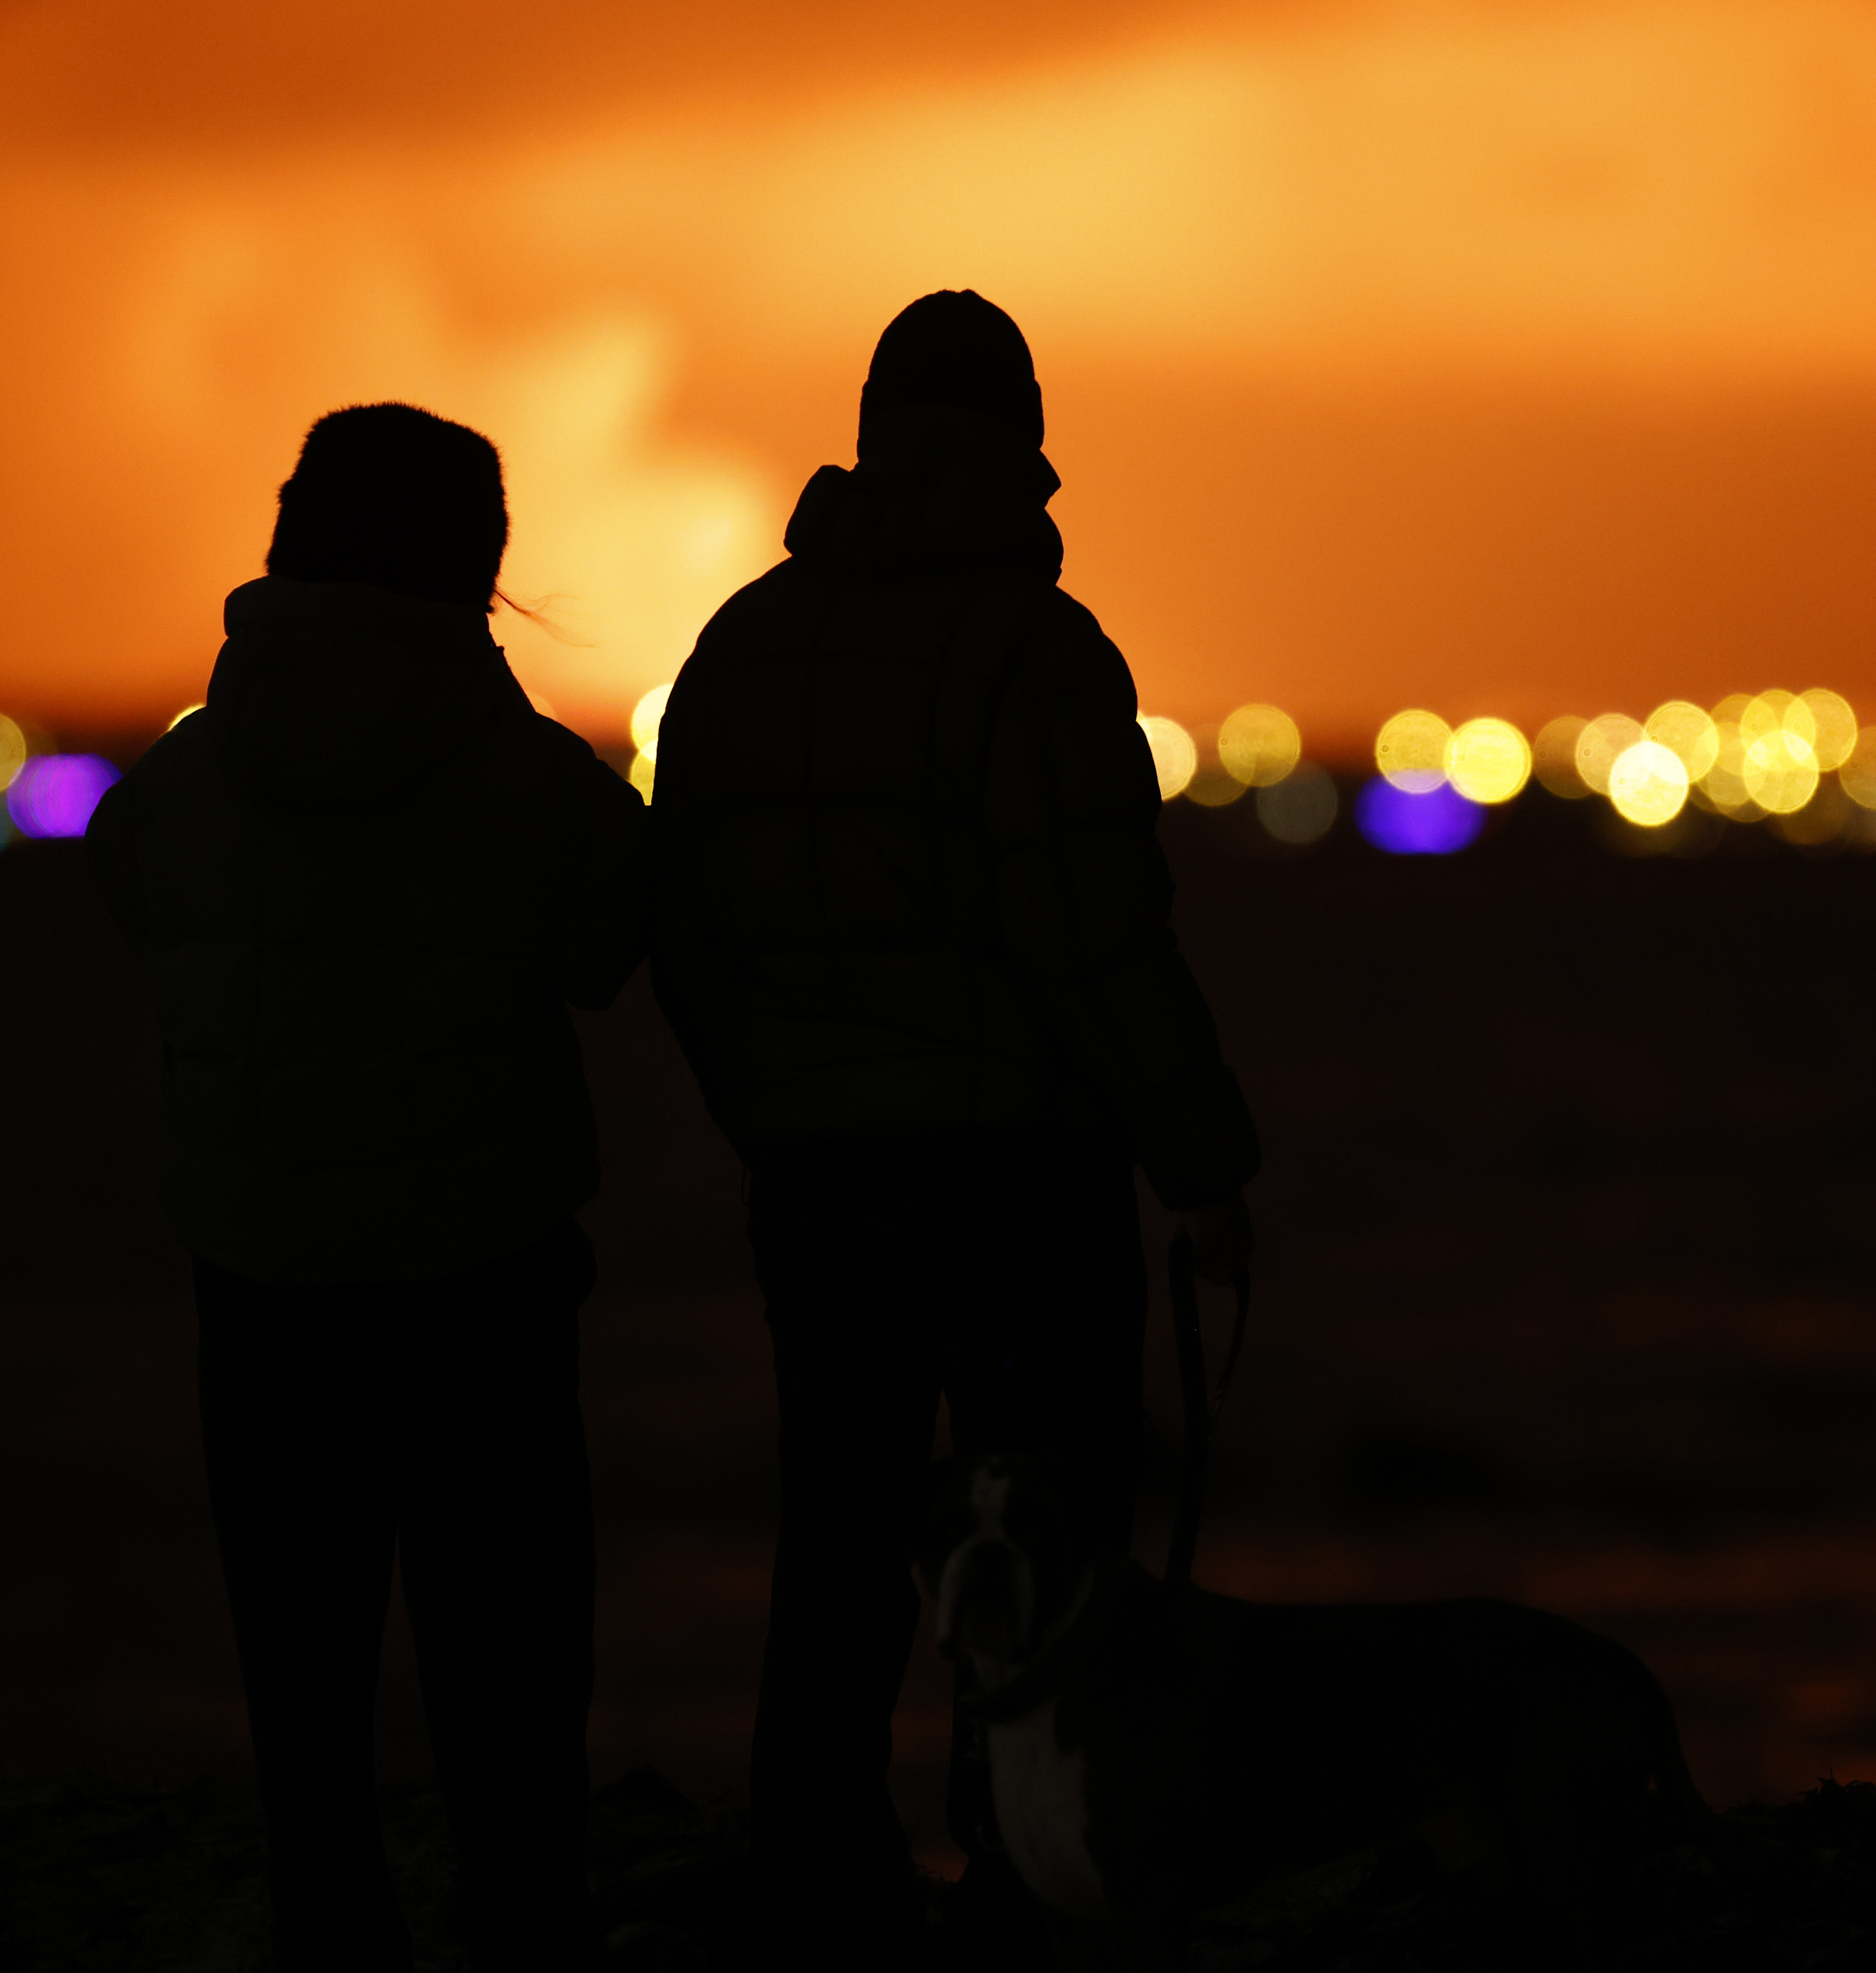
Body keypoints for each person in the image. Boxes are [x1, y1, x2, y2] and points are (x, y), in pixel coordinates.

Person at [650, 290, 1260, 1958]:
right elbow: (1096, 937)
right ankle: (1020, 1868)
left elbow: (682, 934)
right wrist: (1203, 1166)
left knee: (840, 1516)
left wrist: (766, 1114)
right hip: (1017, 1171)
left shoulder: (737, 648)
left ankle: (816, 1859)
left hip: (816, 1176)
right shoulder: (1036, 652)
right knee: (1053, 1532)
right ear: (1024, 454)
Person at [89, 404, 645, 1973]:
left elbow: (127, 883)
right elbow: (614, 940)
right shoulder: (526, 781)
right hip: (481, 1290)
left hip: (256, 1290)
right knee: (511, 1699)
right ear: (472, 565)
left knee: (304, 1713)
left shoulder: (180, 792)